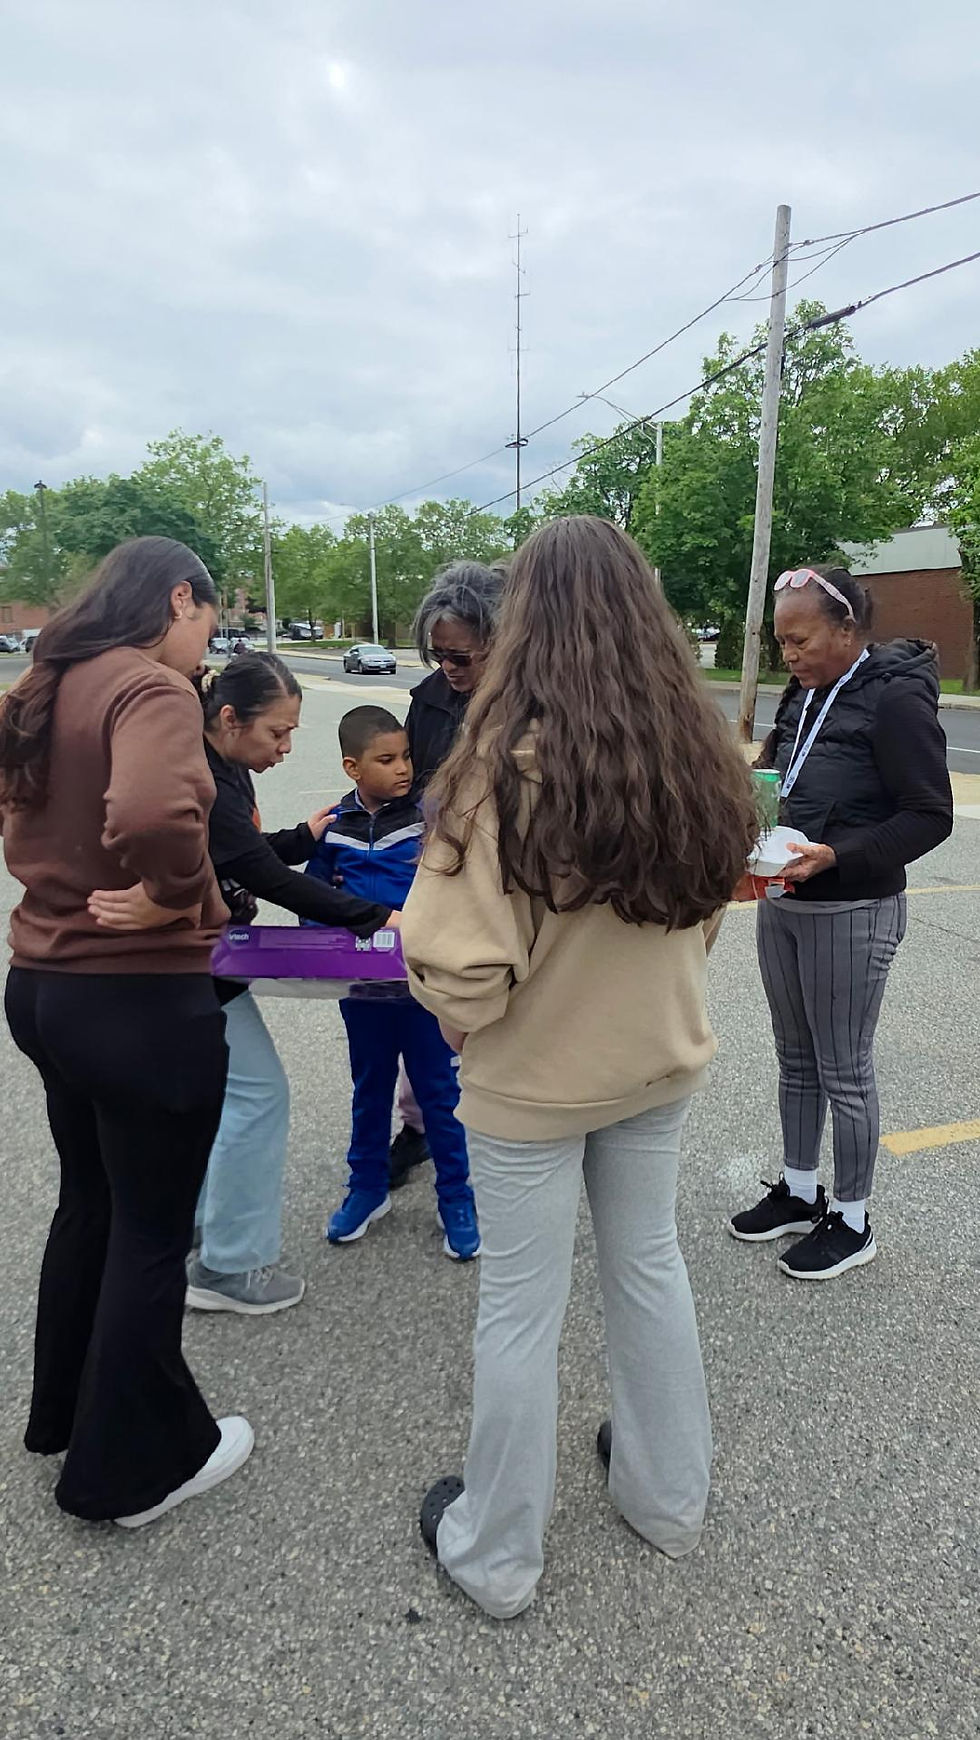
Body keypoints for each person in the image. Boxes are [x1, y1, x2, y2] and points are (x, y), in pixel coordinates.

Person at [401, 515, 758, 1618]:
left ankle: (498, 1553)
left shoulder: (492, 775)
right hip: (654, 1064)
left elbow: (457, 959)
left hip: (531, 1083)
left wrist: (463, 1019)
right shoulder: (697, 759)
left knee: (520, 1307)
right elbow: (703, 913)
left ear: (526, 626)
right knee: (647, 1271)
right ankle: (667, 1498)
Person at [0, 536, 252, 1527]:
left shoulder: (41, 684)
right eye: (208, 620)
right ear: (177, 599)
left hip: (43, 989)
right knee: (151, 1233)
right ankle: (131, 1472)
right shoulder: (148, 688)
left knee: (90, 1207)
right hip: (137, 1003)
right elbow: (153, 809)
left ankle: (63, 1416)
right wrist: (177, 892)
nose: (207, 642)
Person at [99, 652, 396, 1315]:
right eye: (277, 733)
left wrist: (302, 835)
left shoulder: (224, 768)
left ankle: (201, 1231)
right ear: (229, 718)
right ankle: (229, 1267)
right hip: (185, 961)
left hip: (195, 957)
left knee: (218, 1098)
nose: (287, 748)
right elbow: (265, 877)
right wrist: (380, 917)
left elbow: (245, 855)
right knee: (258, 1096)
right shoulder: (205, 777)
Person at [729, 565, 953, 1279]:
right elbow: (778, 775)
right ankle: (800, 1190)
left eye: (801, 640)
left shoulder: (894, 700)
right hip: (786, 900)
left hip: (852, 907)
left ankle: (853, 1220)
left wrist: (837, 856)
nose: (789, 656)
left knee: (843, 1070)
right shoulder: (803, 694)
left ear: (848, 630)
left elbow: (930, 814)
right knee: (794, 1057)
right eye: (781, 644)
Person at [306, 705, 480, 1260]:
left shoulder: (430, 819)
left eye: (405, 755)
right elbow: (313, 899)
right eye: (386, 760)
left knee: (441, 1095)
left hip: (423, 988)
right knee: (370, 1089)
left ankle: (457, 1198)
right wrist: (325, 943)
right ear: (352, 768)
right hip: (361, 991)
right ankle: (367, 1188)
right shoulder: (333, 830)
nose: (403, 768)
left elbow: (455, 892)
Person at [388, 559, 506, 1190]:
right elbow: (411, 790)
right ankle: (422, 1127)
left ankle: (489, 1141)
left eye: (461, 657)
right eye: (438, 656)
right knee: (432, 1004)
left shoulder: (528, 705)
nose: (449, 670)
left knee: (491, 1014)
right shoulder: (429, 701)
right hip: (437, 871)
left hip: (500, 887)